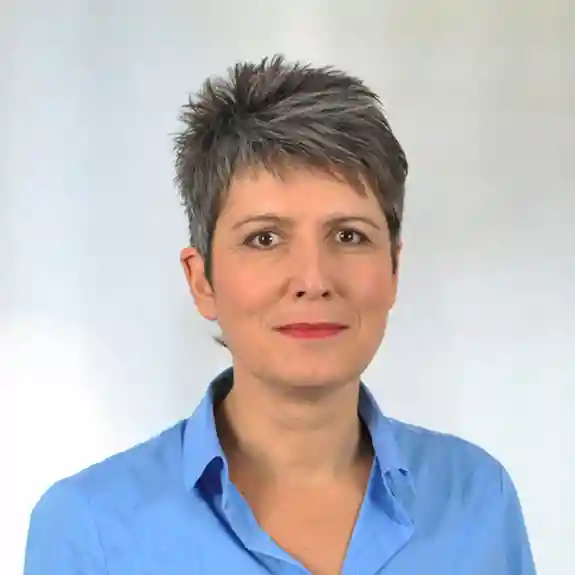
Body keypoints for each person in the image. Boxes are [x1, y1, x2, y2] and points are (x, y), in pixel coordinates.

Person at [24, 54, 536, 574]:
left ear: (394, 269)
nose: (313, 280)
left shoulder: (478, 498)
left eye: (349, 235)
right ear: (202, 280)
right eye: (264, 238)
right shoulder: (89, 528)